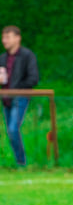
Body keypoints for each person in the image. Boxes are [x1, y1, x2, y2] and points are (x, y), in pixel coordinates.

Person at [0, 25, 39, 167]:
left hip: (20, 97)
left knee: (12, 129)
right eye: (3, 37)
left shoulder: (28, 56)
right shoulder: (2, 58)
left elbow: (34, 78)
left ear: (18, 38)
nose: (4, 40)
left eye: (7, 37)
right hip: (5, 99)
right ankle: (19, 163)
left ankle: (21, 163)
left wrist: (16, 88)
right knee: (10, 132)